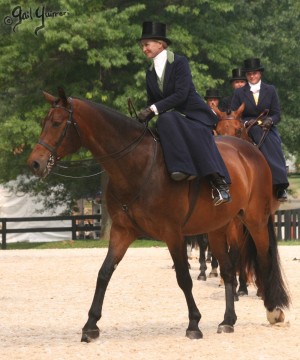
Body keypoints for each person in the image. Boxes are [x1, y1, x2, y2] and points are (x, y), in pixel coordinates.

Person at [137, 21, 231, 206]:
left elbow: (181, 95)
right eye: (142, 46)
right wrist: (143, 116)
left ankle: (219, 184)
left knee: (167, 119)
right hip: (171, 120)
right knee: (162, 123)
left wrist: (154, 110)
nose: (144, 49)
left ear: (160, 44)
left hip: (195, 116)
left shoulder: (180, 62)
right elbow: (152, 102)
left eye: (146, 45)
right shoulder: (149, 72)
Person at [231, 58, 289, 201]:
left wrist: (270, 120)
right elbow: (234, 114)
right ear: (246, 76)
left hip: (267, 127)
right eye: (249, 74)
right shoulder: (239, 93)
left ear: (260, 74)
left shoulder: (271, 90)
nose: (252, 76)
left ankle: (280, 185)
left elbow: (277, 114)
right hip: (248, 127)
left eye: (255, 74)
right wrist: (245, 122)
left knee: (274, 144)